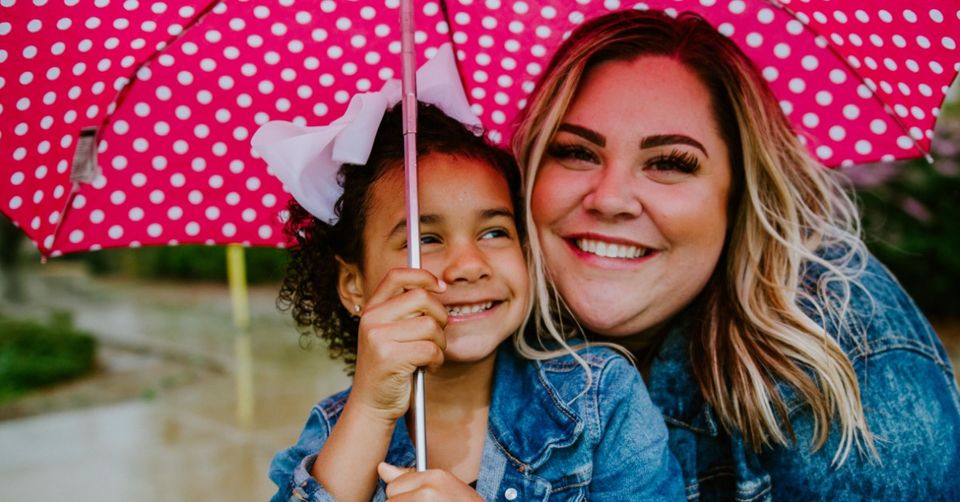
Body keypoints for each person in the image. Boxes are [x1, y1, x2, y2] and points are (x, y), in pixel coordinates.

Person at [512, 9, 960, 500]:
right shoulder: (474, 321)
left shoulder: (839, 360)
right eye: (576, 152)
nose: (611, 198)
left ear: (739, 194)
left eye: (669, 163)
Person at [252, 44, 683, 501]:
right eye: (427, 239)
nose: (469, 266)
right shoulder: (330, 431)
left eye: (494, 232)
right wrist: (373, 410)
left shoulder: (597, 397)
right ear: (353, 285)